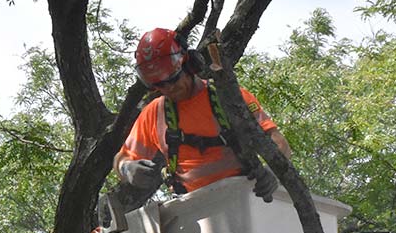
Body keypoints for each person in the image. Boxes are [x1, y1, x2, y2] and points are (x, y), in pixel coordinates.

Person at [113, 28, 291, 199]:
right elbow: (122, 158)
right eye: (159, 85)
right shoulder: (154, 114)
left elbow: (277, 140)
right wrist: (127, 168)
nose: (168, 89)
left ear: (189, 65)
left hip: (245, 197)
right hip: (193, 209)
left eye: (173, 79)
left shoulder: (229, 98)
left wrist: (273, 171)